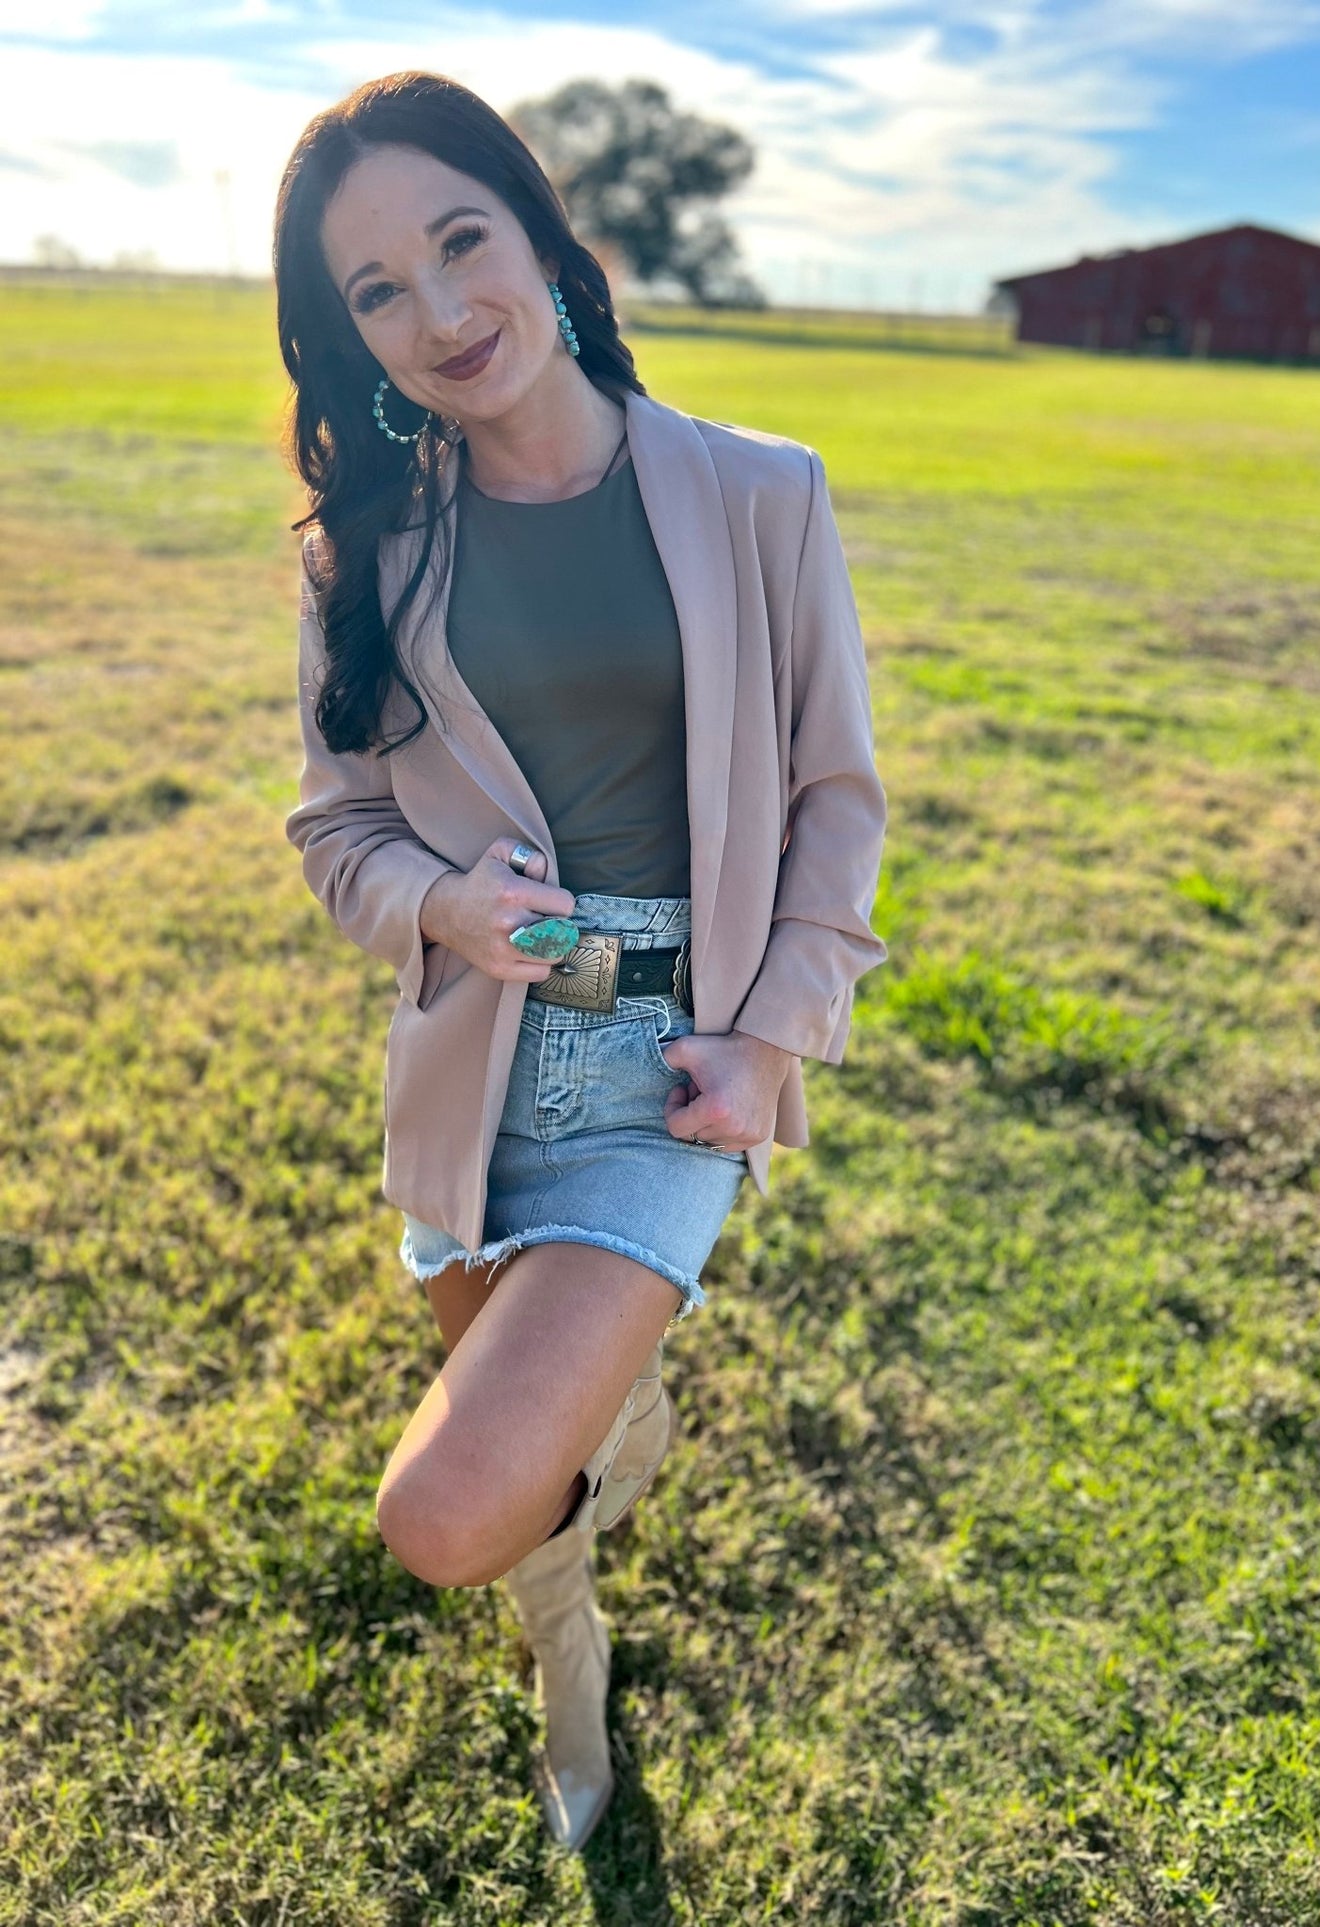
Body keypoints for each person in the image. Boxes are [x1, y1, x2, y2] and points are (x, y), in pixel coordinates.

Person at [274, 69, 888, 1851]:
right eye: (377, 291)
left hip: (664, 1066)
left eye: (462, 242)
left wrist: (772, 1037)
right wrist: (441, 907)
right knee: (539, 1494)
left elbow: (835, 799)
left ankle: (613, 1427)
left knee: (449, 1510)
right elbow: (335, 830)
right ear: (349, 337)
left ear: (544, 237)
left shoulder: (760, 491)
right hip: (473, 1070)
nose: (440, 312)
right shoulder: (368, 554)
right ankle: (573, 1677)